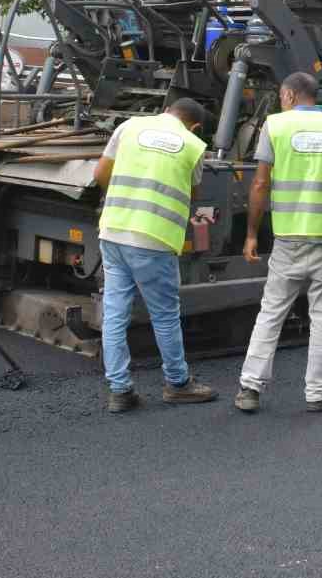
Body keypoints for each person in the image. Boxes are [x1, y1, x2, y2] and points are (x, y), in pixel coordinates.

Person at [235, 72, 322, 414]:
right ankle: (318, 392)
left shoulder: (276, 126)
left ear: (287, 95)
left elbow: (259, 185)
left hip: (288, 239)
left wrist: (252, 233)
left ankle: (250, 389)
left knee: (271, 313)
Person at [91, 97, 217, 412]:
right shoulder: (192, 145)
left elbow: (100, 174)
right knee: (163, 315)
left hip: (113, 231)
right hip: (154, 239)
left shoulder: (129, 127)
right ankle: (177, 383)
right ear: (195, 125)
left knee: (115, 313)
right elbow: (193, 194)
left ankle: (120, 391)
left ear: (166, 111)